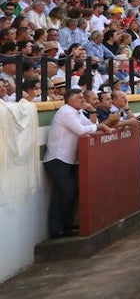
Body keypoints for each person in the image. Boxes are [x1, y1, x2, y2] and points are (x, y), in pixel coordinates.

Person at [43, 88, 112, 238]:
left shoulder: (77, 112)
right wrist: (98, 126)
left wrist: (93, 111)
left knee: (64, 194)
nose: (83, 100)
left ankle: (62, 227)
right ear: (70, 100)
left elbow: (91, 126)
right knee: (68, 192)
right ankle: (59, 228)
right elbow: (82, 130)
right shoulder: (66, 112)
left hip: (66, 160)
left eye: (83, 97)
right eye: (79, 98)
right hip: (57, 159)